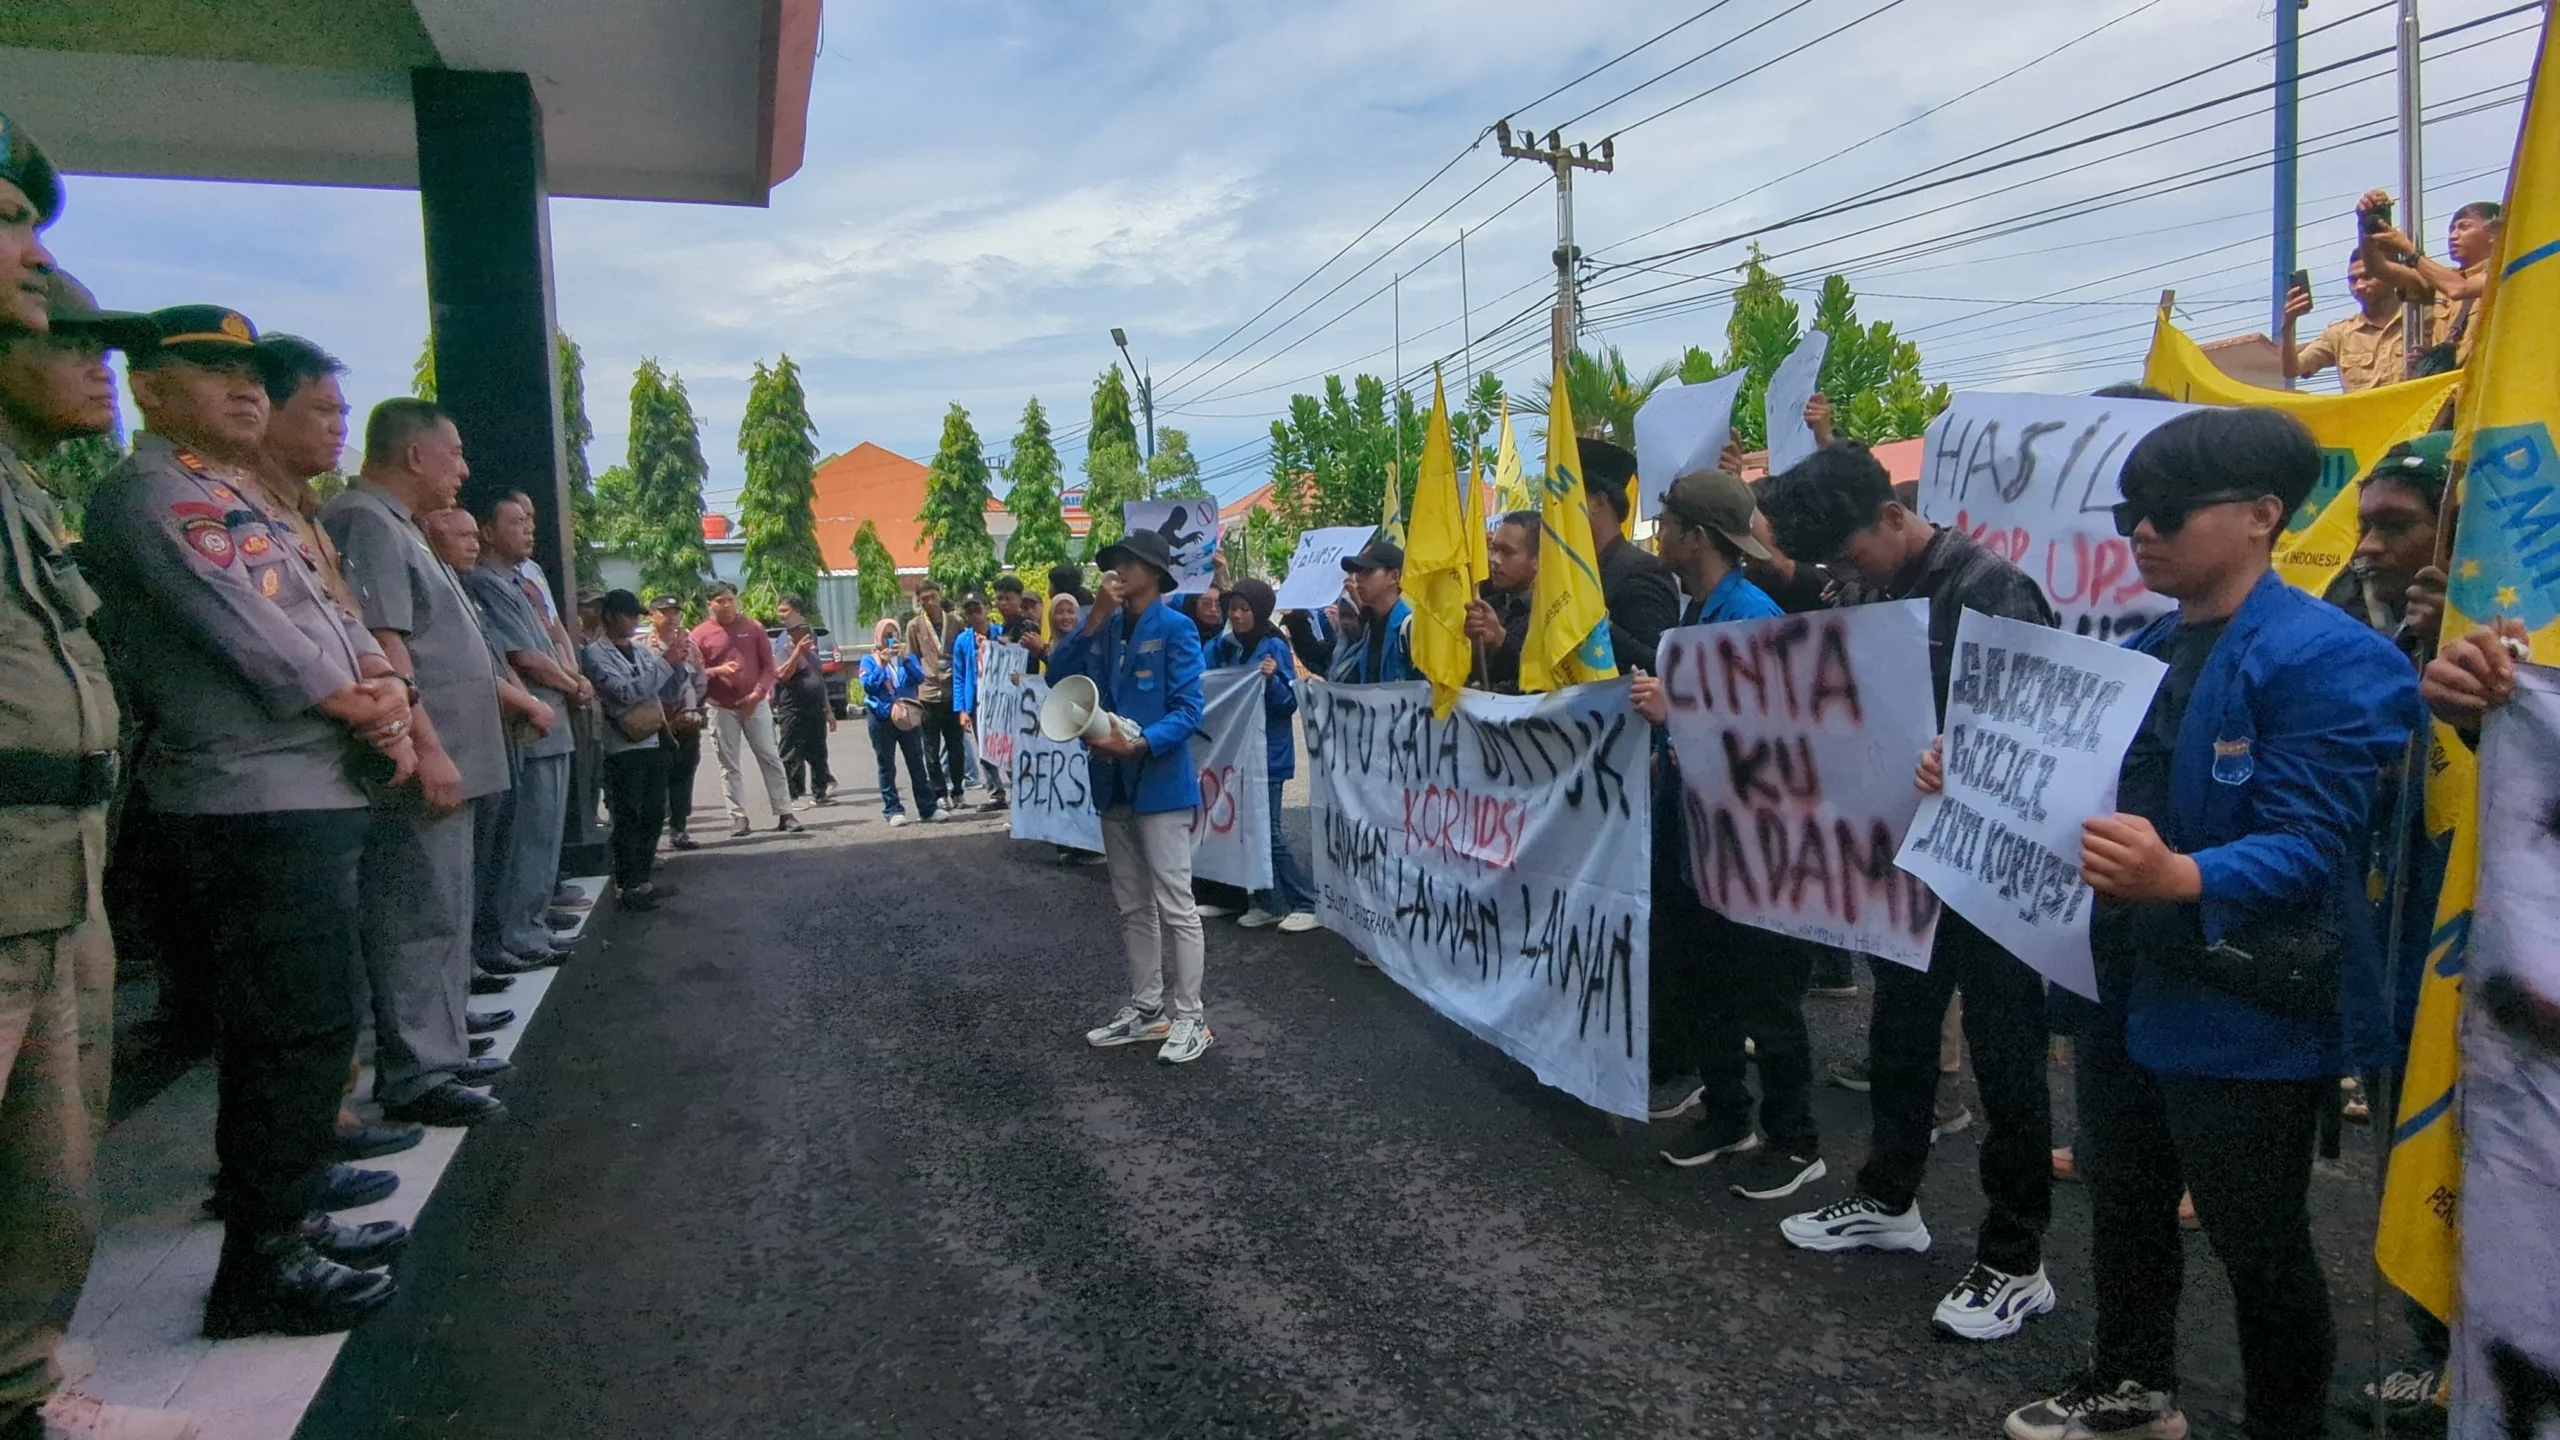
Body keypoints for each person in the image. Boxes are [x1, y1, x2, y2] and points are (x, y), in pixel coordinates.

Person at [2001, 407, 2423, 1440]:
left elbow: (2319, 842)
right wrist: (1968, 777)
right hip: (2125, 981)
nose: (2140, 532)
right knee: (2126, 1200)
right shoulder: (2138, 646)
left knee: (2257, 1240)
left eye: (2167, 512)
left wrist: (2182, 872)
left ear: (2259, 517)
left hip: (2245, 1003)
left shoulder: (2330, 656)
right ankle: (2131, 1384)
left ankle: (2284, 1424)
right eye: (2129, 512)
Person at [85, 302, 412, 1343]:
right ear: (148, 385)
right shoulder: (155, 496)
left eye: (251, 375)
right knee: (283, 1032)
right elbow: (260, 639)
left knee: (311, 1027)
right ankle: (258, 1266)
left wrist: (377, 686)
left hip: (306, 790)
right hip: (248, 799)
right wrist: (359, 699)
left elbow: (323, 613)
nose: (244, 390)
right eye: (207, 369)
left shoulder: (238, 495)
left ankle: (290, 1217)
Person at [1756, 440, 2065, 1342]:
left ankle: (2015, 1259)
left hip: (1993, 863)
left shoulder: (1992, 590)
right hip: (1903, 859)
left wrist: (1966, 760)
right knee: (1900, 1032)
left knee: (2009, 1059)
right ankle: (1889, 1198)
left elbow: (2043, 733)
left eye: (1853, 555)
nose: (1846, 576)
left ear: (1894, 517)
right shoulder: (1864, 588)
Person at [0, 170, 217, 1430]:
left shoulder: (32, 495)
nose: (96, 367)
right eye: (66, 342)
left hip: (57, 875)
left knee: (50, 1183)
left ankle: (22, 1383)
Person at [1625, 468, 1829, 1201]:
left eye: (1669, 522)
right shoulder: (1701, 610)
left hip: (1754, 845)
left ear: (1698, 536)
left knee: (1763, 993)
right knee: (1704, 979)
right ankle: (1727, 1112)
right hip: (1697, 833)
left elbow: (1773, 735)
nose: (1660, 535)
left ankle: (1794, 1137)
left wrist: (1673, 716)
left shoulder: (1750, 615)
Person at [319, 399, 512, 1128]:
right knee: (415, 913)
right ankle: (418, 1070)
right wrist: (427, 746)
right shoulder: (366, 522)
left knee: (443, 908)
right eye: (455, 452)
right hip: (425, 760)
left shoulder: (399, 526)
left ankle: (441, 1046)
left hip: (455, 758)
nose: (463, 469)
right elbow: (385, 646)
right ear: (414, 456)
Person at [1052, 529, 1214, 1064]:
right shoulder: (1104, 625)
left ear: (1154, 571)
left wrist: (1141, 742)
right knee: (1132, 906)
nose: (1116, 568)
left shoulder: (1178, 628)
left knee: (1175, 905)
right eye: (1114, 561)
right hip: (1112, 783)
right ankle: (1149, 1011)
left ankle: (1191, 1017)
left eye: (1126, 560)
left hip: (1159, 783)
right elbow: (1057, 676)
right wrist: (1092, 618)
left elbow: (1190, 711)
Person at [461, 492, 587, 972]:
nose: (530, 529)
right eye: (517, 521)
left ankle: (530, 924)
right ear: (487, 531)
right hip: (532, 723)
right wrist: (572, 683)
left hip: (552, 716)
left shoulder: (519, 582)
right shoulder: (487, 585)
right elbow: (524, 657)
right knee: (528, 838)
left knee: (545, 835)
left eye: (531, 520)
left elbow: (553, 638)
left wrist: (571, 681)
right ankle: (519, 931)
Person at [1209, 579, 1316, 931]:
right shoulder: (1228, 646)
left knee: (1269, 832)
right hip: (1240, 752)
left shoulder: (1273, 647)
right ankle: (1270, 903)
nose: (1237, 615)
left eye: (1244, 609)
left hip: (1269, 753)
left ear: (1259, 612)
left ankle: (1307, 902)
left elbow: (1288, 703)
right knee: (1250, 831)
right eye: (1233, 609)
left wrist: (1272, 680)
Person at [581, 591, 682, 909]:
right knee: (628, 814)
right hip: (621, 744)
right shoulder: (595, 655)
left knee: (653, 812)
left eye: (636, 615)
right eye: (628, 615)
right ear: (609, 616)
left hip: (650, 736)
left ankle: (643, 879)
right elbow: (623, 692)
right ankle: (628, 885)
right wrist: (664, 666)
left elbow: (659, 685)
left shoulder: (639, 652)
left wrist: (667, 667)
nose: (633, 621)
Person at [692, 580, 801, 837]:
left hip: (756, 703)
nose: (727, 605)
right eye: (720, 601)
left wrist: (756, 694)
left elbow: (769, 668)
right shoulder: (699, 635)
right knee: (728, 764)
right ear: (710, 604)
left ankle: (785, 812)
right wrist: (717, 671)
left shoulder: (753, 628)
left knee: (770, 756)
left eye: (730, 599)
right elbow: (694, 673)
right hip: (720, 707)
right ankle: (738, 816)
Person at [2359, 190, 2501, 371]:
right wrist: (2368, 226)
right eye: (2451, 229)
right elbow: (2380, 268)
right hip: (2450, 389)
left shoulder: (2505, 273)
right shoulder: (2441, 281)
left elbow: (2458, 289)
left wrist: (2409, 250)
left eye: (2464, 227)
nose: (2453, 236)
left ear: (2494, 232)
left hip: (2486, 381)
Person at [1581, 436, 1682, 668]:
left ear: (1598, 502)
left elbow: (1660, 664)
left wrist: (1602, 627)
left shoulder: (1642, 571)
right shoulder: (1582, 571)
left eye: (1565, 497)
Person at [2281, 248, 2408, 392]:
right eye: (2353, 280)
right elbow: (2292, 370)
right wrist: (2287, 326)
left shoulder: (2422, 320)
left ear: (2391, 276)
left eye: (2367, 277)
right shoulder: (2340, 334)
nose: (2359, 286)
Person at [642, 595, 707, 849]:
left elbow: (700, 679)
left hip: (685, 720)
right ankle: (651, 841)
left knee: (683, 775)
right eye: (664, 612)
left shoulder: (690, 646)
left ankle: (679, 830)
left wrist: (692, 710)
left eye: (675, 612)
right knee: (655, 782)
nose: (671, 617)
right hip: (655, 722)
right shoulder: (642, 646)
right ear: (652, 616)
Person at [858, 617, 936, 826]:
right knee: (886, 765)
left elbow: (920, 678)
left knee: (916, 762)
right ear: (878, 637)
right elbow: (868, 686)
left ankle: (927, 808)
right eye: (886, 635)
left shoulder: (906, 657)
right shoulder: (869, 660)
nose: (890, 640)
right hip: (881, 717)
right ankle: (893, 809)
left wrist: (906, 659)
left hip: (908, 715)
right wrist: (882, 664)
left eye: (894, 635)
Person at [906, 582, 969, 807]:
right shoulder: (915, 626)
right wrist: (914, 688)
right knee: (930, 748)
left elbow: (966, 654)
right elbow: (911, 657)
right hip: (928, 692)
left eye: (933, 596)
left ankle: (959, 790)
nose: (929, 602)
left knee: (956, 747)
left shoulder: (955, 622)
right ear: (919, 601)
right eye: (924, 599)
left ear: (940, 596)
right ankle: (939, 792)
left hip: (953, 691)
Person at [1462, 510, 1538, 692]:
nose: (1494, 559)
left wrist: (1501, 640)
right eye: (1494, 549)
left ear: (1538, 559)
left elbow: (1548, 679)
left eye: (1507, 552)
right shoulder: (1490, 607)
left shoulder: (1555, 614)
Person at [770, 593, 835, 806]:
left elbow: (819, 679)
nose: (781, 615)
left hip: (814, 707)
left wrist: (828, 710)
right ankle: (792, 795)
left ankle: (820, 793)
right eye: (779, 611)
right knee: (791, 753)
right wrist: (797, 652)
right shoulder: (784, 646)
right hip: (792, 707)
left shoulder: (812, 649)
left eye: (785, 611)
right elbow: (783, 674)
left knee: (818, 750)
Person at [949, 592, 1008, 810]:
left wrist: (992, 645)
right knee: (985, 748)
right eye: (969, 611)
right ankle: (996, 793)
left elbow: (1011, 661)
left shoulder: (1000, 633)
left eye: (977, 609)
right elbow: (959, 675)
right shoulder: (963, 640)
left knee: (1007, 745)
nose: (974, 615)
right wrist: (962, 709)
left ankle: (1020, 789)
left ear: (987, 608)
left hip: (1001, 699)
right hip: (977, 702)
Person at [1335, 539, 1417, 683]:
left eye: (1367, 571)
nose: (1358, 578)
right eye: (1356, 572)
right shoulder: (1370, 628)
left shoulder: (1411, 628)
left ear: (1394, 576)